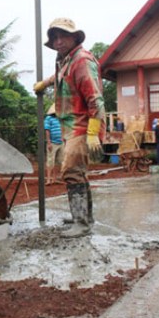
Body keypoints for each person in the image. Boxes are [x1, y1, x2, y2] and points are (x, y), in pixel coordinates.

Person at [33, 18, 106, 238]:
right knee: (78, 173)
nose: (57, 41)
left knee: (71, 172)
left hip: (83, 126)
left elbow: (96, 100)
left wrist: (93, 133)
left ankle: (81, 223)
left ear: (74, 37)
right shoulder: (65, 60)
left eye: (62, 36)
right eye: (54, 37)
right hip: (70, 126)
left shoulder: (81, 61)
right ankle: (83, 216)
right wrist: (44, 84)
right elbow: (59, 77)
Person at [44, 103, 64, 185]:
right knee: (50, 161)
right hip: (52, 143)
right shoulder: (48, 118)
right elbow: (47, 130)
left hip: (61, 142)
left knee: (59, 161)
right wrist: (48, 142)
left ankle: (54, 179)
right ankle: (49, 179)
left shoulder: (61, 119)